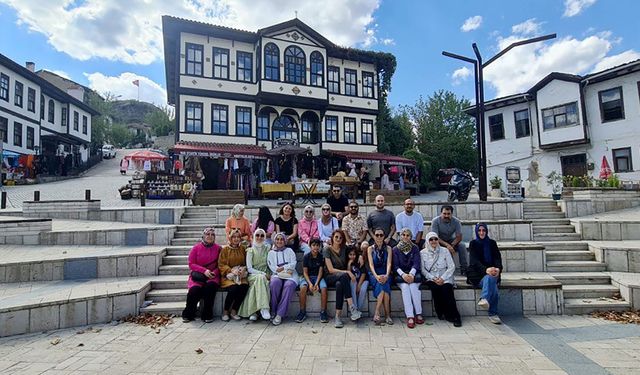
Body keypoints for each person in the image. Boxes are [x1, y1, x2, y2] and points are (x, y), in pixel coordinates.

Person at [421, 231, 462, 327]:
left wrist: (443, 278)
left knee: (447, 289)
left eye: (435, 239)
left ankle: (455, 316)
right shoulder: (422, 253)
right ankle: (441, 312)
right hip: (432, 278)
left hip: (445, 277)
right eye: (431, 239)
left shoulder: (445, 251)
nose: (433, 241)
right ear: (427, 241)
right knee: (436, 289)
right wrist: (433, 278)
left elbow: (451, 266)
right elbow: (423, 270)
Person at [323, 229, 362, 328]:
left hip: (341, 279)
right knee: (344, 276)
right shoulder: (327, 249)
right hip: (330, 277)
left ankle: (338, 317)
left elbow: (355, 251)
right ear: (332, 237)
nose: (338, 239)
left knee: (340, 285)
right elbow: (331, 270)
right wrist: (348, 271)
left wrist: (360, 255)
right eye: (336, 237)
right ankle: (352, 308)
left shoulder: (344, 248)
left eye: (340, 238)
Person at [182, 227, 221, 323]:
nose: (210, 236)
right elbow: (191, 264)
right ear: (203, 236)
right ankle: (189, 314)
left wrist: (213, 273)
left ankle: (207, 314)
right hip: (198, 276)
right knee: (194, 291)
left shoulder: (219, 249)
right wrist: (204, 271)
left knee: (210, 288)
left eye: (212, 234)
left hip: (212, 276)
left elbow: (221, 264)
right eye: (208, 234)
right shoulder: (196, 248)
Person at [467, 223, 503, 324]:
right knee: (492, 285)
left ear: (486, 231)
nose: (482, 232)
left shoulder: (492, 243)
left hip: (492, 271)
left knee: (490, 279)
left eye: (484, 230)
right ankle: (493, 314)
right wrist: (486, 270)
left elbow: (497, 258)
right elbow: (474, 261)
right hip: (477, 274)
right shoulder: (473, 243)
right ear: (476, 232)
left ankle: (484, 299)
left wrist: (497, 269)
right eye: (479, 230)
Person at [392, 228, 424, 328]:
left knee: (414, 288)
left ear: (411, 237)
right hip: (401, 276)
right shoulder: (395, 249)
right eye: (403, 235)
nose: (405, 237)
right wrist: (404, 275)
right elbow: (395, 266)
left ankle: (418, 313)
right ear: (400, 236)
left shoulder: (415, 248)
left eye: (408, 235)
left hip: (413, 275)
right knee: (405, 288)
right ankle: (410, 316)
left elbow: (416, 263)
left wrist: (411, 274)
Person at [238, 229, 272, 321]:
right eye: (257, 235)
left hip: (265, 275)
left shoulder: (267, 248)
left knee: (257, 284)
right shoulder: (250, 250)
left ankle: (254, 312)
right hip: (253, 275)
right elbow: (249, 268)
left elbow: (270, 263)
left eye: (262, 235)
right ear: (253, 236)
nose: (259, 237)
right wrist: (263, 274)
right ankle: (264, 308)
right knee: (260, 279)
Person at [267, 232, 299, 325]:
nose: (279, 241)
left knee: (289, 285)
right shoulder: (271, 253)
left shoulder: (289, 251)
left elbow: (293, 263)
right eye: (277, 239)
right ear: (274, 241)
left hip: (290, 274)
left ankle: (280, 314)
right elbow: (271, 265)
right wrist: (279, 270)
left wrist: (284, 268)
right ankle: (273, 310)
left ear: (285, 241)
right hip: (277, 273)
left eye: (281, 239)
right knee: (274, 283)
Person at [218, 229, 249, 321]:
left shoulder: (242, 249)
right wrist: (231, 270)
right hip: (228, 276)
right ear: (230, 238)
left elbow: (246, 262)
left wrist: (243, 269)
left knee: (244, 286)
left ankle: (234, 311)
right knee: (233, 288)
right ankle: (225, 311)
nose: (236, 239)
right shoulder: (225, 250)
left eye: (238, 237)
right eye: (234, 237)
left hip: (239, 275)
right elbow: (221, 264)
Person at [296, 238, 329, 323]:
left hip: (318, 277)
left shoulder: (321, 257)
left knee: (324, 288)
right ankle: (302, 312)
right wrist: (310, 284)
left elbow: (320, 272)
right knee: (303, 288)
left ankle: (323, 312)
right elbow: (305, 272)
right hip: (307, 277)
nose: (315, 247)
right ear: (310, 246)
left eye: (317, 245)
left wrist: (317, 283)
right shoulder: (306, 257)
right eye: (313, 245)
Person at [431, 205, 467, 275]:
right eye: (444, 213)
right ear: (441, 213)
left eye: (448, 214)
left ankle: (464, 269)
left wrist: (452, 245)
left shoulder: (456, 221)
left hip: (450, 240)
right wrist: (447, 245)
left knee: (462, 246)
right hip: (438, 241)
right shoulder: (435, 221)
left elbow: (459, 237)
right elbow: (435, 237)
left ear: (451, 214)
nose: (446, 216)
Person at [368, 227, 393, 325]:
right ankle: (387, 315)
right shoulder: (370, 249)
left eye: (381, 235)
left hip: (385, 273)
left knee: (384, 284)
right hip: (374, 274)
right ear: (374, 236)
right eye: (377, 235)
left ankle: (377, 312)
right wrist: (376, 276)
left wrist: (386, 275)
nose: (379, 237)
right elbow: (371, 265)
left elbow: (389, 263)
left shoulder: (388, 248)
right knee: (383, 286)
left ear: (384, 236)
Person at [347, 247, 368, 312]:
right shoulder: (347, 262)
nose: (352, 256)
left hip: (363, 280)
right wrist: (349, 264)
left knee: (363, 290)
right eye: (350, 254)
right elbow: (348, 274)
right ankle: (355, 309)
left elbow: (363, 273)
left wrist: (359, 285)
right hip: (354, 281)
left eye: (354, 255)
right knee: (353, 285)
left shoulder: (359, 261)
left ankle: (359, 310)